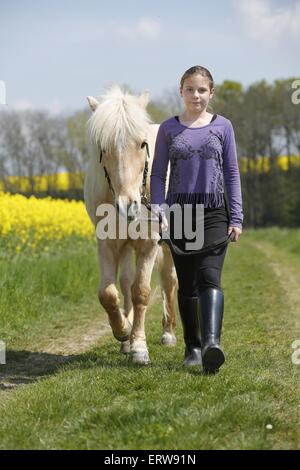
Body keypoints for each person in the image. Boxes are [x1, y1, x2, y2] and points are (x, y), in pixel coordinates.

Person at [150, 65, 243, 374]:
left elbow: (231, 172)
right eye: (190, 89)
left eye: (202, 90)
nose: (196, 95)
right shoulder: (168, 129)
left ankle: (211, 344)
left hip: (215, 212)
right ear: (181, 92)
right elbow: (157, 174)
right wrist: (161, 213)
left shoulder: (223, 127)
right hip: (180, 214)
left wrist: (237, 217)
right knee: (187, 284)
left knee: (209, 277)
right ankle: (192, 346)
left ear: (211, 93)